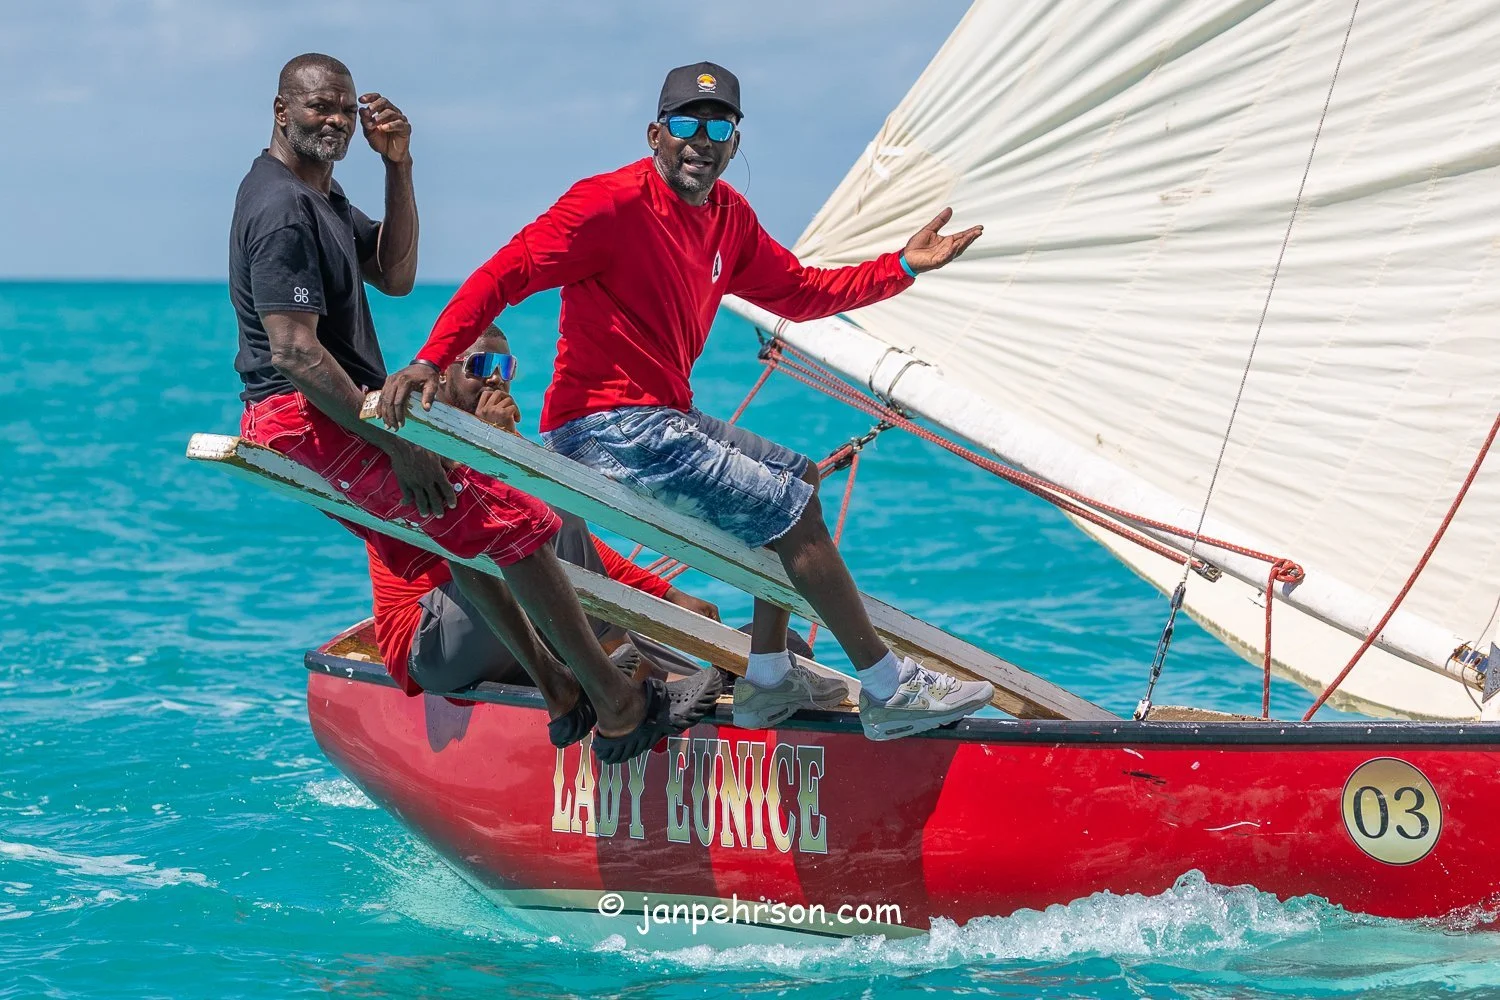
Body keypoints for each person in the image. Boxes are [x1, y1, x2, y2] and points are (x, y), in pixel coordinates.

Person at [378, 62, 994, 741]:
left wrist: (900, 268)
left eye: (718, 126)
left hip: (663, 420)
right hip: (603, 427)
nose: (700, 139)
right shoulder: (606, 205)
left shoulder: (730, 219)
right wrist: (432, 359)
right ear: (655, 134)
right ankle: (888, 686)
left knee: (798, 479)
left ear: (734, 140)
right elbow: (507, 271)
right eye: (684, 124)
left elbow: (802, 292)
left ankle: (767, 676)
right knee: (786, 515)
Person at [229, 53, 719, 765]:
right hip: (298, 414)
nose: (334, 121)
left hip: (333, 410)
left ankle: (564, 691)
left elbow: (394, 276)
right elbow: (295, 354)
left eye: (343, 109)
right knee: (505, 520)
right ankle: (610, 702)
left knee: (489, 522)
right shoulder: (280, 209)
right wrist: (401, 446)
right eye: (317, 109)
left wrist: (399, 166)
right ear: (280, 113)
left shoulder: (320, 199)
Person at [370, 326, 724, 695]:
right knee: (548, 526)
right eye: (481, 365)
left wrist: (666, 595)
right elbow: (468, 535)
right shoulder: (413, 442)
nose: (495, 379)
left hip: (497, 616)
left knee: (580, 594)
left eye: (505, 368)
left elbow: (571, 545)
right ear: (441, 371)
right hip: (430, 641)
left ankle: (688, 683)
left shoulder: (499, 442)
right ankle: (626, 676)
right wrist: (491, 445)